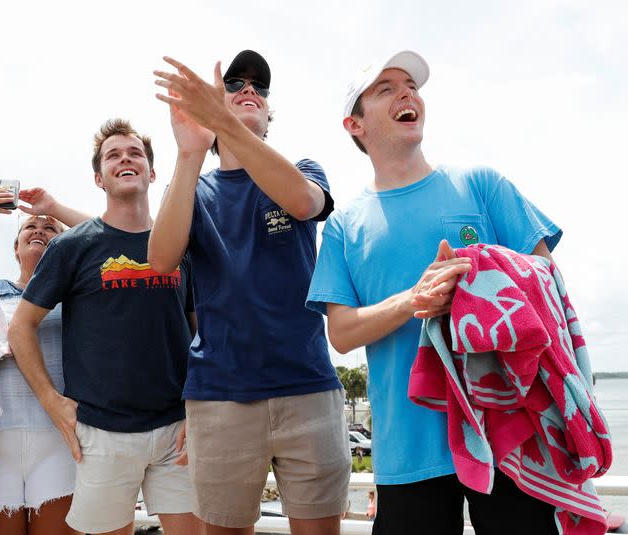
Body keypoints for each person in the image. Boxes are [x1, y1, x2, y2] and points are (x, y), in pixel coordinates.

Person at [306, 50, 562, 535]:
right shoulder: (342, 226)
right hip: (407, 449)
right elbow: (340, 333)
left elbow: (547, 282)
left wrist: (479, 286)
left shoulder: (482, 185)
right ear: (354, 125)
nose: (407, 93)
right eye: (386, 89)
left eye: (411, 85)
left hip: (507, 435)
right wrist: (415, 300)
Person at [150, 50, 350, 534]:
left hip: (308, 388)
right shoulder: (195, 189)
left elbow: (304, 203)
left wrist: (224, 120)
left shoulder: (302, 169)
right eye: (235, 84)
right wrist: (190, 151)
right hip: (221, 397)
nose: (248, 90)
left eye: (259, 88)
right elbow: (160, 259)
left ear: (267, 110)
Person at [9, 119, 200, 535]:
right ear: (99, 177)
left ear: (152, 173)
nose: (125, 159)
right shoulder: (72, 246)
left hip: (178, 430)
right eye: (113, 155)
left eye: (135, 154)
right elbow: (21, 326)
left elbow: (200, 329)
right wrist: (51, 400)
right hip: (102, 431)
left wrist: (199, 404)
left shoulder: (180, 243)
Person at [0, 187, 88, 534]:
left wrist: (57, 208)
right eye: (29, 227)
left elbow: (112, 241)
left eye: (51, 229)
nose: (40, 230)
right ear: (15, 248)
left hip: (60, 437)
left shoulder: (80, 293)